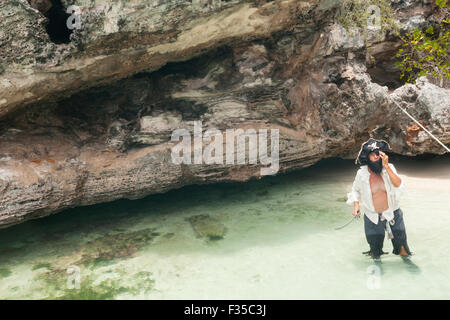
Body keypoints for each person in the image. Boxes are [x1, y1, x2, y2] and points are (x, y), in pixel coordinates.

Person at [347, 139, 412, 260]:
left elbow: (399, 184)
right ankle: (377, 269)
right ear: (367, 157)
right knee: (375, 249)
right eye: (372, 154)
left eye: (378, 153)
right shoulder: (362, 173)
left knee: (402, 245)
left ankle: (408, 266)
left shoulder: (389, 168)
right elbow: (355, 190)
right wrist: (356, 206)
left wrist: (386, 166)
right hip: (372, 215)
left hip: (393, 213)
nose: (376, 157)